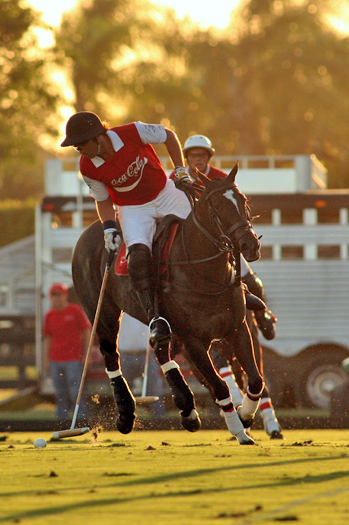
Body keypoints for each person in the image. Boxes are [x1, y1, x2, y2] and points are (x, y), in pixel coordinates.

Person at [178, 134, 282, 437]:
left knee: (252, 281)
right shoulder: (178, 177)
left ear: (209, 157)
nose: (198, 160)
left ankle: (263, 317)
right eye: (193, 155)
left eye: (202, 155)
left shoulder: (223, 179)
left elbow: (235, 210)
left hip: (223, 248)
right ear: (186, 157)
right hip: (192, 252)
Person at [60, 111, 193, 348]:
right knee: (138, 258)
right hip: (132, 209)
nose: (78, 150)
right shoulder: (88, 166)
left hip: (165, 193)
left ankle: (241, 277)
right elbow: (102, 201)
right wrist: (109, 227)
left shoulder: (133, 132)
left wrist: (180, 169)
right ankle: (156, 319)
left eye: (80, 145)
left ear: (97, 137)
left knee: (201, 228)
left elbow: (169, 136)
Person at [43, 283, 91, 421]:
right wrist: (46, 360)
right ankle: (62, 420)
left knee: (76, 392)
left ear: (65, 296)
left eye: (59, 295)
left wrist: (86, 354)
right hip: (55, 359)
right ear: (50, 298)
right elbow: (47, 338)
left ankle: (81, 419)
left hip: (74, 359)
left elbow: (86, 331)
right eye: (54, 296)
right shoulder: (49, 315)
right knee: (59, 393)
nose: (57, 299)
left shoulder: (75, 311)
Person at [118, 313, 166, 417]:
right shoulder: (119, 308)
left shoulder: (146, 308)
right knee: (121, 391)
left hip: (147, 353)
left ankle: (159, 419)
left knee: (154, 389)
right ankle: (123, 418)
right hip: (124, 355)